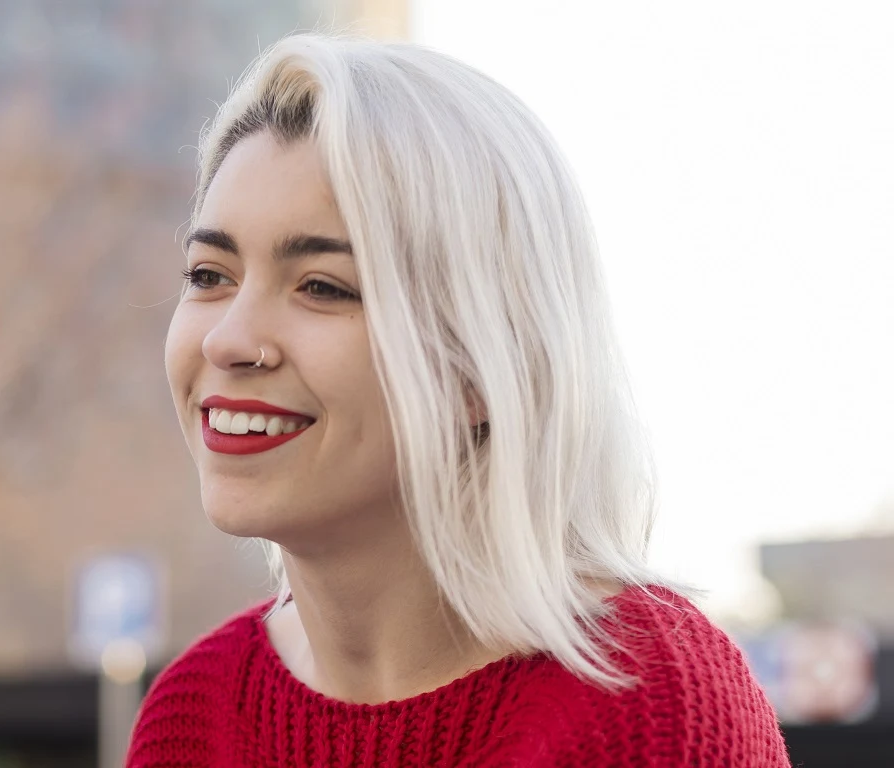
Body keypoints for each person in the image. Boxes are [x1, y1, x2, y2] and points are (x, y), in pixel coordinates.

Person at [125, 33, 790, 767]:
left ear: (480, 364)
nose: (229, 339)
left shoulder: (655, 710)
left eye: (322, 286)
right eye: (209, 275)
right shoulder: (192, 716)